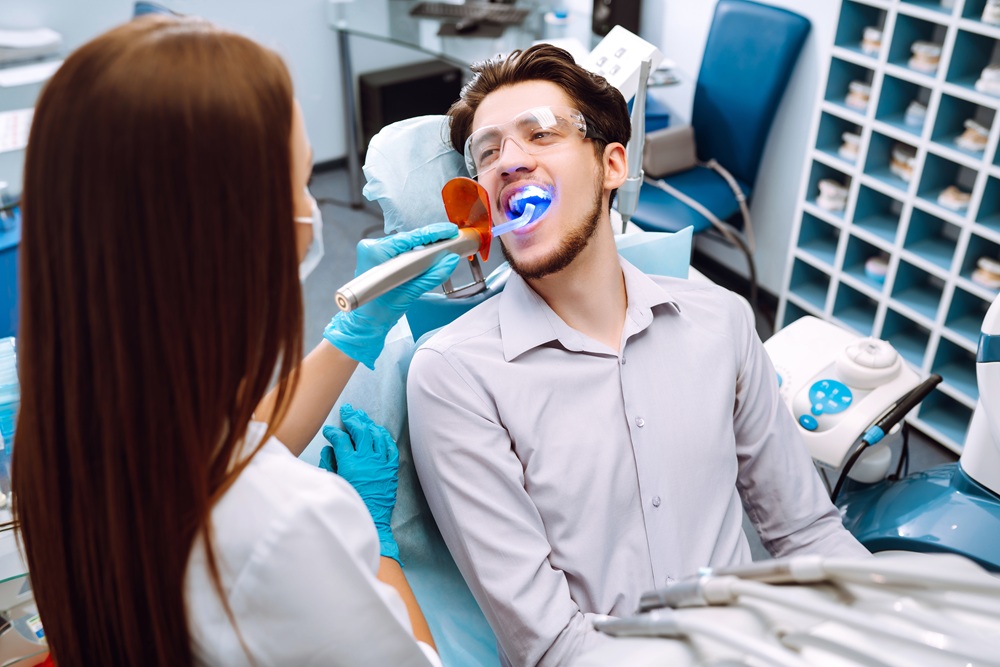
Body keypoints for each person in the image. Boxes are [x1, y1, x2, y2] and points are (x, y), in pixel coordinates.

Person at [11, 15, 461, 666]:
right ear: (232, 237)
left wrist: (352, 331)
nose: (312, 214)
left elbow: (219, 455)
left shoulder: (63, 425)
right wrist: (375, 541)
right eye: (302, 184)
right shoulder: (288, 528)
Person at [406, 44, 871, 667]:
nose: (510, 162)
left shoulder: (723, 321)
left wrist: (890, 625)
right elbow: (552, 645)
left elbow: (806, 532)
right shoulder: (456, 376)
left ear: (612, 165)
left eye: (540, 133)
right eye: (487, 153)